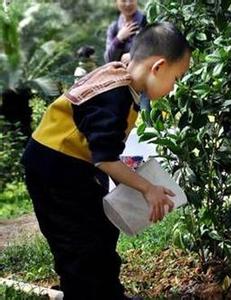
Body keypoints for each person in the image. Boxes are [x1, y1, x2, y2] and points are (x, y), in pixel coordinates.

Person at [21, 22, 191, 300]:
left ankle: (110, 293)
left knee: (101, 232)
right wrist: (147, 188)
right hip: (55, 170)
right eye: (177, 78)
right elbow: (105, 159)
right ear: (158, 67)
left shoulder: (124, 76)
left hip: (76, 167)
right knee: (78, 245)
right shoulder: (115, 96)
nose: (174, 88)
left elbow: (102, 151)